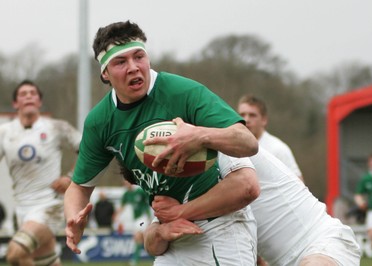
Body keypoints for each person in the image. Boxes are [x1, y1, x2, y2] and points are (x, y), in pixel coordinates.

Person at [63, 20, 260, 265]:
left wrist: (199, 135)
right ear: (105, 73)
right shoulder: (100, 121)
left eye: (139, 57)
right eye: (121, 62)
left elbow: (247, 142)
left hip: (221, 227)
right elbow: (80, 186)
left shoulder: (181, 91)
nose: (134, 67)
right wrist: (73, 218)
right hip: (170, 232)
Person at [145, 148, 362, 266]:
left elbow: (247, 189)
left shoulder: (228, 151)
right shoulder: (187, 178)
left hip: (322, 242)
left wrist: (180, 212)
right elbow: (153, 242)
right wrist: (163, 230)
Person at [0, 80, 81, 265]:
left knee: (14, 254)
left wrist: (71, 177)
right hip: (21, 208)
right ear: (15, 103)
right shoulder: (4, 132)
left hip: (50, 205)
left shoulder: (57, 127)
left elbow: (88, 151)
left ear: (39, 101)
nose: (28, 96)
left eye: (32, 93)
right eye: (23, 94)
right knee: (46, 261)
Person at [238, 94, 303, 181]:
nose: (246, 119)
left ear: (264, 120)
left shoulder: (278, 149)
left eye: (252, 115)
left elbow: (298, 184)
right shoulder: (232, 147)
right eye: (242, 115)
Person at [113, 180, 152, 266]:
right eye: (124, 183)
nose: (126, 184)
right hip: (136, 220)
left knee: (137, 237)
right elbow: (122, 206)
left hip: (143, 218)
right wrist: (116, 216)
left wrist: (149, 218)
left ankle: (134, 261)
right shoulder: (126, 194)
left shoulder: (140, 191)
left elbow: (147, 204)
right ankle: (154, 258)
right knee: (142, 240)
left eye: (127, 182)